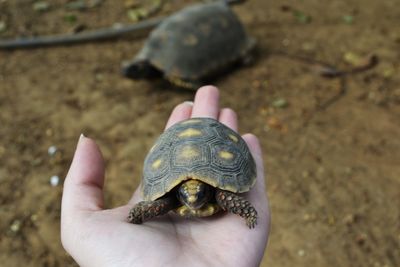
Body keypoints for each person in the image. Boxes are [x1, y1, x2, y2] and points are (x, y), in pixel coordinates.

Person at [61, 85, 270, 267]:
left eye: (198, 195)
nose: (192, 199)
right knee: (158, 205)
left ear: (207, 190)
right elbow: (159, 204)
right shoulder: (171, 200)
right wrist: (136, 216)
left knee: (225, 197)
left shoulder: (220, 195)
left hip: (214, 153)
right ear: (179, 192)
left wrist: (248, 213)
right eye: (187, 195)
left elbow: (227, 197)